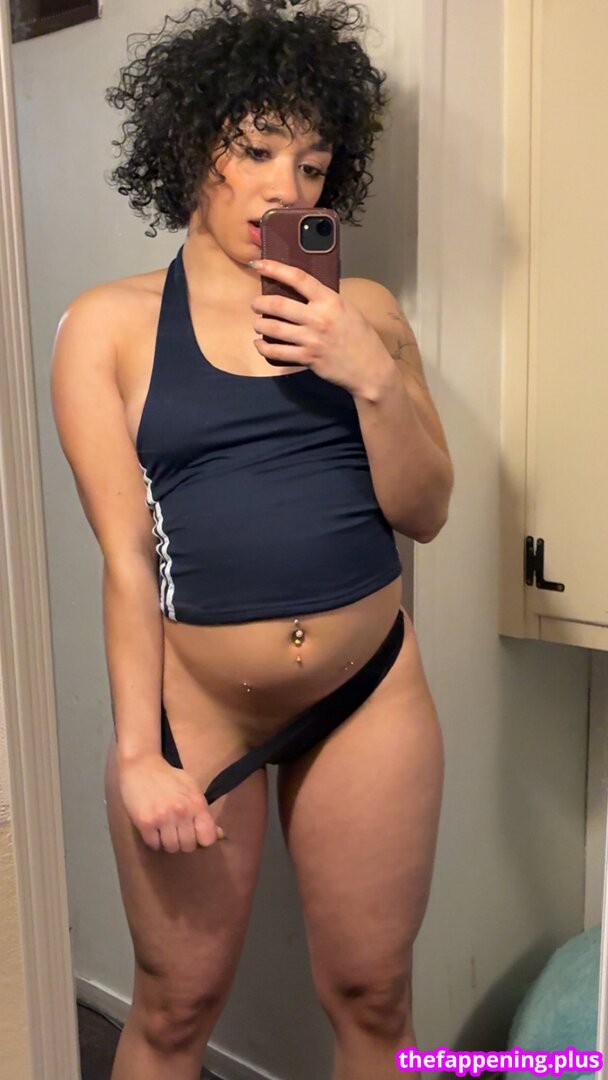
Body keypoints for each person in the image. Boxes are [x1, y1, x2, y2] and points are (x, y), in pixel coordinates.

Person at [50, 1, 453, 1076]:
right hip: (198, 706)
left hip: (367, 687)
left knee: (375, 996)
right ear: (194, 147)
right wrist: (138, 755)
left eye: (313, 165)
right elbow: (126, 558)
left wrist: (367, 373)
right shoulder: (108, 327)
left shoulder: (366, 311)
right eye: (259, 150)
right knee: (176, 1007)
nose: (288, 189)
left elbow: (425, 511)